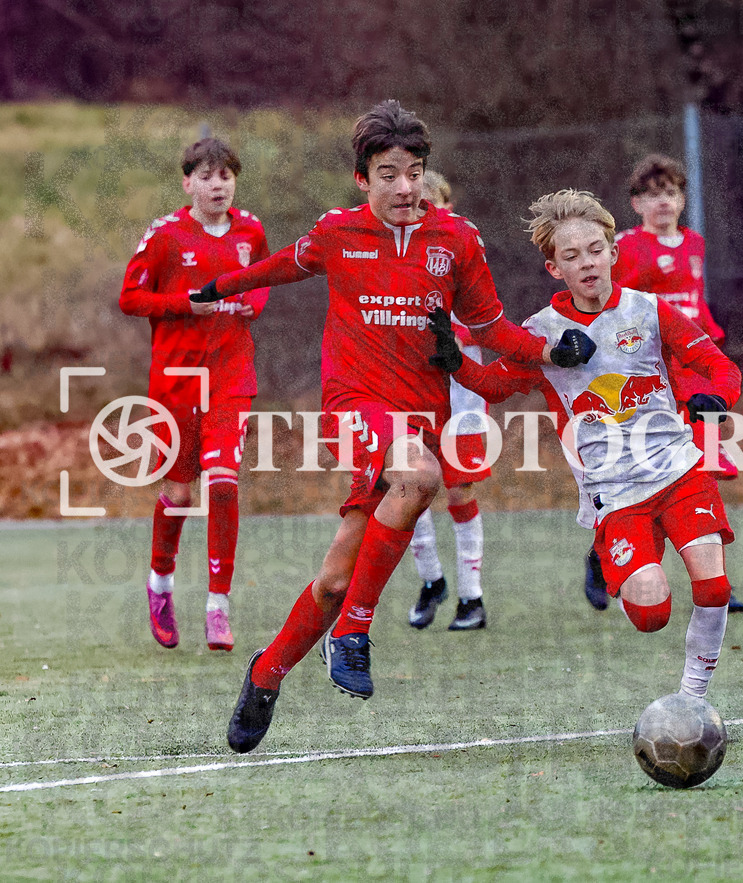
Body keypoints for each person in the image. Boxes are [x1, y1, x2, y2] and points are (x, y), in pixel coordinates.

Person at [191, 101, 595, 752]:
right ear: (362, 179)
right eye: (388, 173)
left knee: (332, 578)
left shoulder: (457, 240)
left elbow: (490, 328)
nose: (405, 186)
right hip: (354, 406)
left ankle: (266, 672)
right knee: (418, 476)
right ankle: (354, 630)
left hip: (421, 415)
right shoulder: (337, 233)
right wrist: (219, 286)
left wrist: (549, 351)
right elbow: (284, 264)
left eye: (414, 171)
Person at [439, 189, 741, 701]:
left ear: (613, 252)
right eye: (572, 256)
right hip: (614, 493)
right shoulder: (540, 332)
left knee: (713, 587)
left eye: (596, 250)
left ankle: (692, 702)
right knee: (651, 617)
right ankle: (609, 557)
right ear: (554, 268)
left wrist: (719, 397)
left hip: (679, 471)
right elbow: (492, 386)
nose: (587, 263)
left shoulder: (650, 311)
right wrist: (451, 359)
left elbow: (719, 366)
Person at [119, 137, 271, 652]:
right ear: (188, 183)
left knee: (224, 483)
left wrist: (254, 303)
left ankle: (217, 608)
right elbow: (131, 297)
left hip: (231, 377)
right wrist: (185, 304)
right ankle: (160, 585)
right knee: (180, 494)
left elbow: (263, 279)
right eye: (206, 177)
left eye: (225, 176)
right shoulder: (165, 235)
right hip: (177, 382)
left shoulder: (251, 230)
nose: (217, 185)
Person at [590, 152, 743, 614]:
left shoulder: (695, 243)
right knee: (646, 478)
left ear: (683, 199)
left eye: (672, 193)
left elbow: (695, 307)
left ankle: (717, 579)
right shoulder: (625, 248)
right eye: (653, 194)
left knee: (703, 473)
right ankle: (606, 559)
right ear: (636, 204)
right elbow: (608, 303)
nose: (664, 203)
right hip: (651, 382)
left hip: (696, 376)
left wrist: (714, 358)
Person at [407, 170, 490, 631]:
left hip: (462, 393)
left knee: (459, 489)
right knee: (409, 486)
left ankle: (471, 598)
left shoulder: (463, 250)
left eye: (431, 204)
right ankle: (431, 580)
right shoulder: (392, 256)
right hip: (409, 388)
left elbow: (486, 317)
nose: (422, 213)